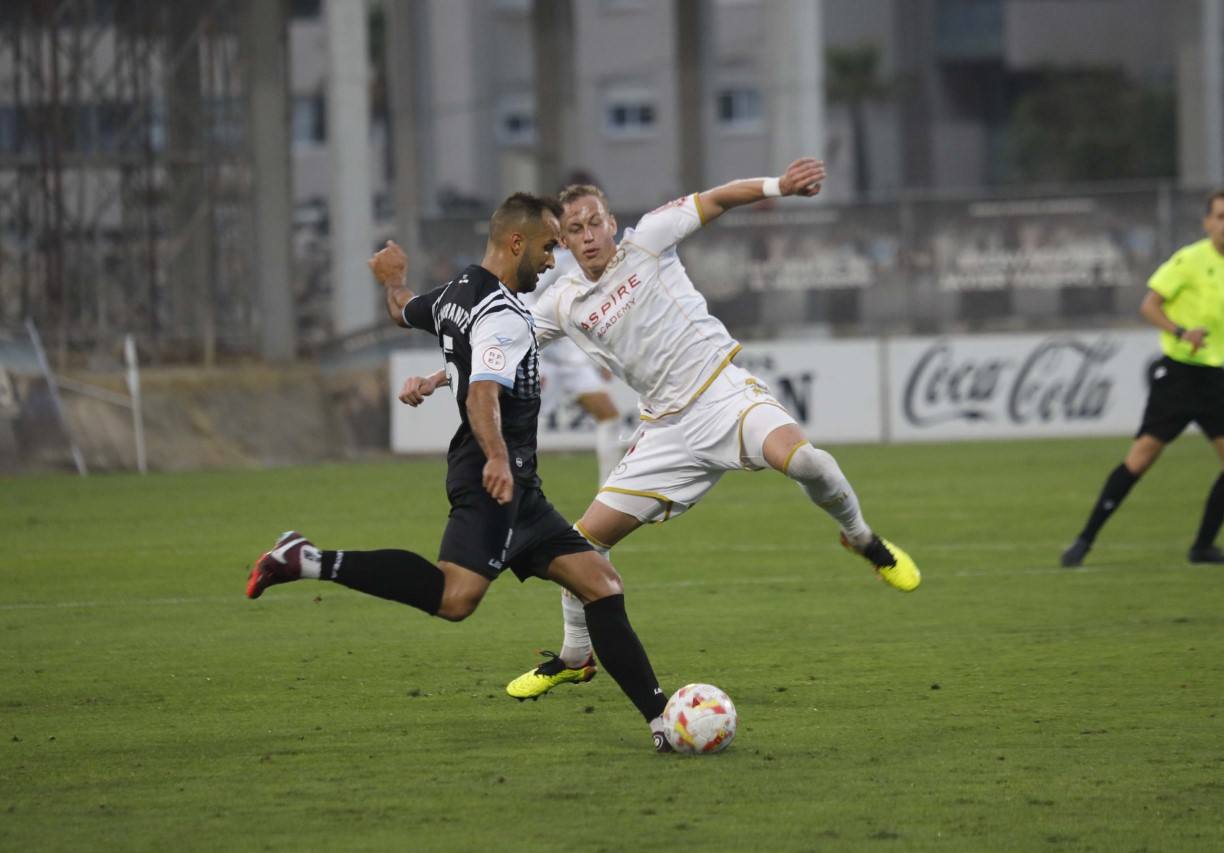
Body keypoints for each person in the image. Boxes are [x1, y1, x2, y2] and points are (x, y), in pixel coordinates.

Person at [247, 193, 675, 751]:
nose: (553, 261)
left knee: (601, 583)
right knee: (455, 598)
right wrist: (496, 456)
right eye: (548, 247)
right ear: (515, 243)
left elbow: (403, 309)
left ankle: (663, 721)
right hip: (492, 474)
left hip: (518, 483)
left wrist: (393, 282)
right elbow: (481, 395)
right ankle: (304, 559)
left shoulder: (454, 295)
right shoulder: (502, 315)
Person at [497, 157, 921, 699]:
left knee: (809, 462)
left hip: (723, 395)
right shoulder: (561, 301)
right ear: (562, 241)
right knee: (580, 546)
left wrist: (778, 187)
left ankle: (861, 538)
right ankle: (576, 657)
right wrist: (441, 375)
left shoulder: (648, 239)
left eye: (595, 222)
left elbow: (718, 198)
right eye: (574, 230)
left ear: (611, 221)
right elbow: (502, 344)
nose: (588, 236)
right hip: (665, 432)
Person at [1061, 189, 1224, 568]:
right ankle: (1084, 540)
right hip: (1177, 375)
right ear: (1208, 222)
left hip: (1212, 379)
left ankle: (1203, 547)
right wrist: (1180, 332)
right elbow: (1149, 305)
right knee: (1140, 459)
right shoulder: (1189, 260)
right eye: (1221, 216)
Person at [527, 245, 627, 487]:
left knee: (609, 414)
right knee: (517, 420)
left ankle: (609, 487)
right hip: (541, 354)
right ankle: (498, 477)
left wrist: (599, 356)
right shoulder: (555, 260)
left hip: (573, 359)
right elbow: (527, 293)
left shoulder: (587, 262)